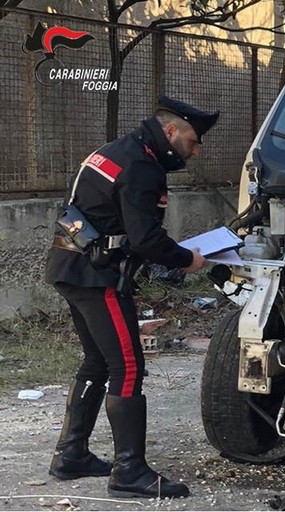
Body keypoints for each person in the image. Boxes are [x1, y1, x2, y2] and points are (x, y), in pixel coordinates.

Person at [44, 96, 219, 498]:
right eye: (193, 141)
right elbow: (145, 238)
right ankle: (129, 471)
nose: (195, 151)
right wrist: (187, 260)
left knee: (97, 361)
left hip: (70, 266)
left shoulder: (115, 150)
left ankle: (71, 455)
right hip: (97, 276)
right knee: (127, 365)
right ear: (170, 130)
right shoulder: (142, 165)